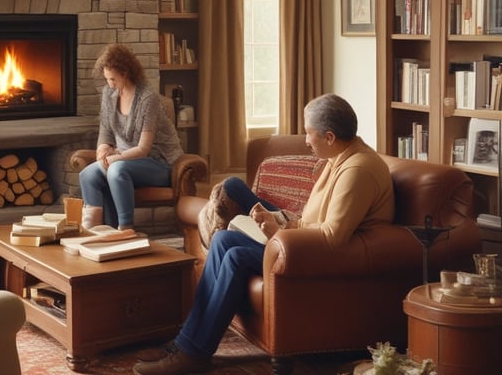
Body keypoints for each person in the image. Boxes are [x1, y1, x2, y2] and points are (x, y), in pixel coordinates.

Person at [133, 93, 395, 375]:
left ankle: (194, 354)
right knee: (222, 240)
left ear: (330, 137)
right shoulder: (339, 157)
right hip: (305, 247)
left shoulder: (357, 170)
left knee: (235, 257)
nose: (306, 141)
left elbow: (332, 236)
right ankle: (186, 342)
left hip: (323, 259)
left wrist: (278, 233)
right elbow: (313, 220)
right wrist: (278, 222)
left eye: (309, 133)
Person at [79, 44, 184, 230]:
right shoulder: (109, 93)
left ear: (125, 72)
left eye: (113, 79)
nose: (109, 83)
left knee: (116, 170)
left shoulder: (147, 98)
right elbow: (105, 129)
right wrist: (102, 149)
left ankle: (125, 229)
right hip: (124, 159)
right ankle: (96, 231)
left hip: (158, 163)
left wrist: (116, 158)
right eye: (107, 79)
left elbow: (143, 149)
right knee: (88, 174)